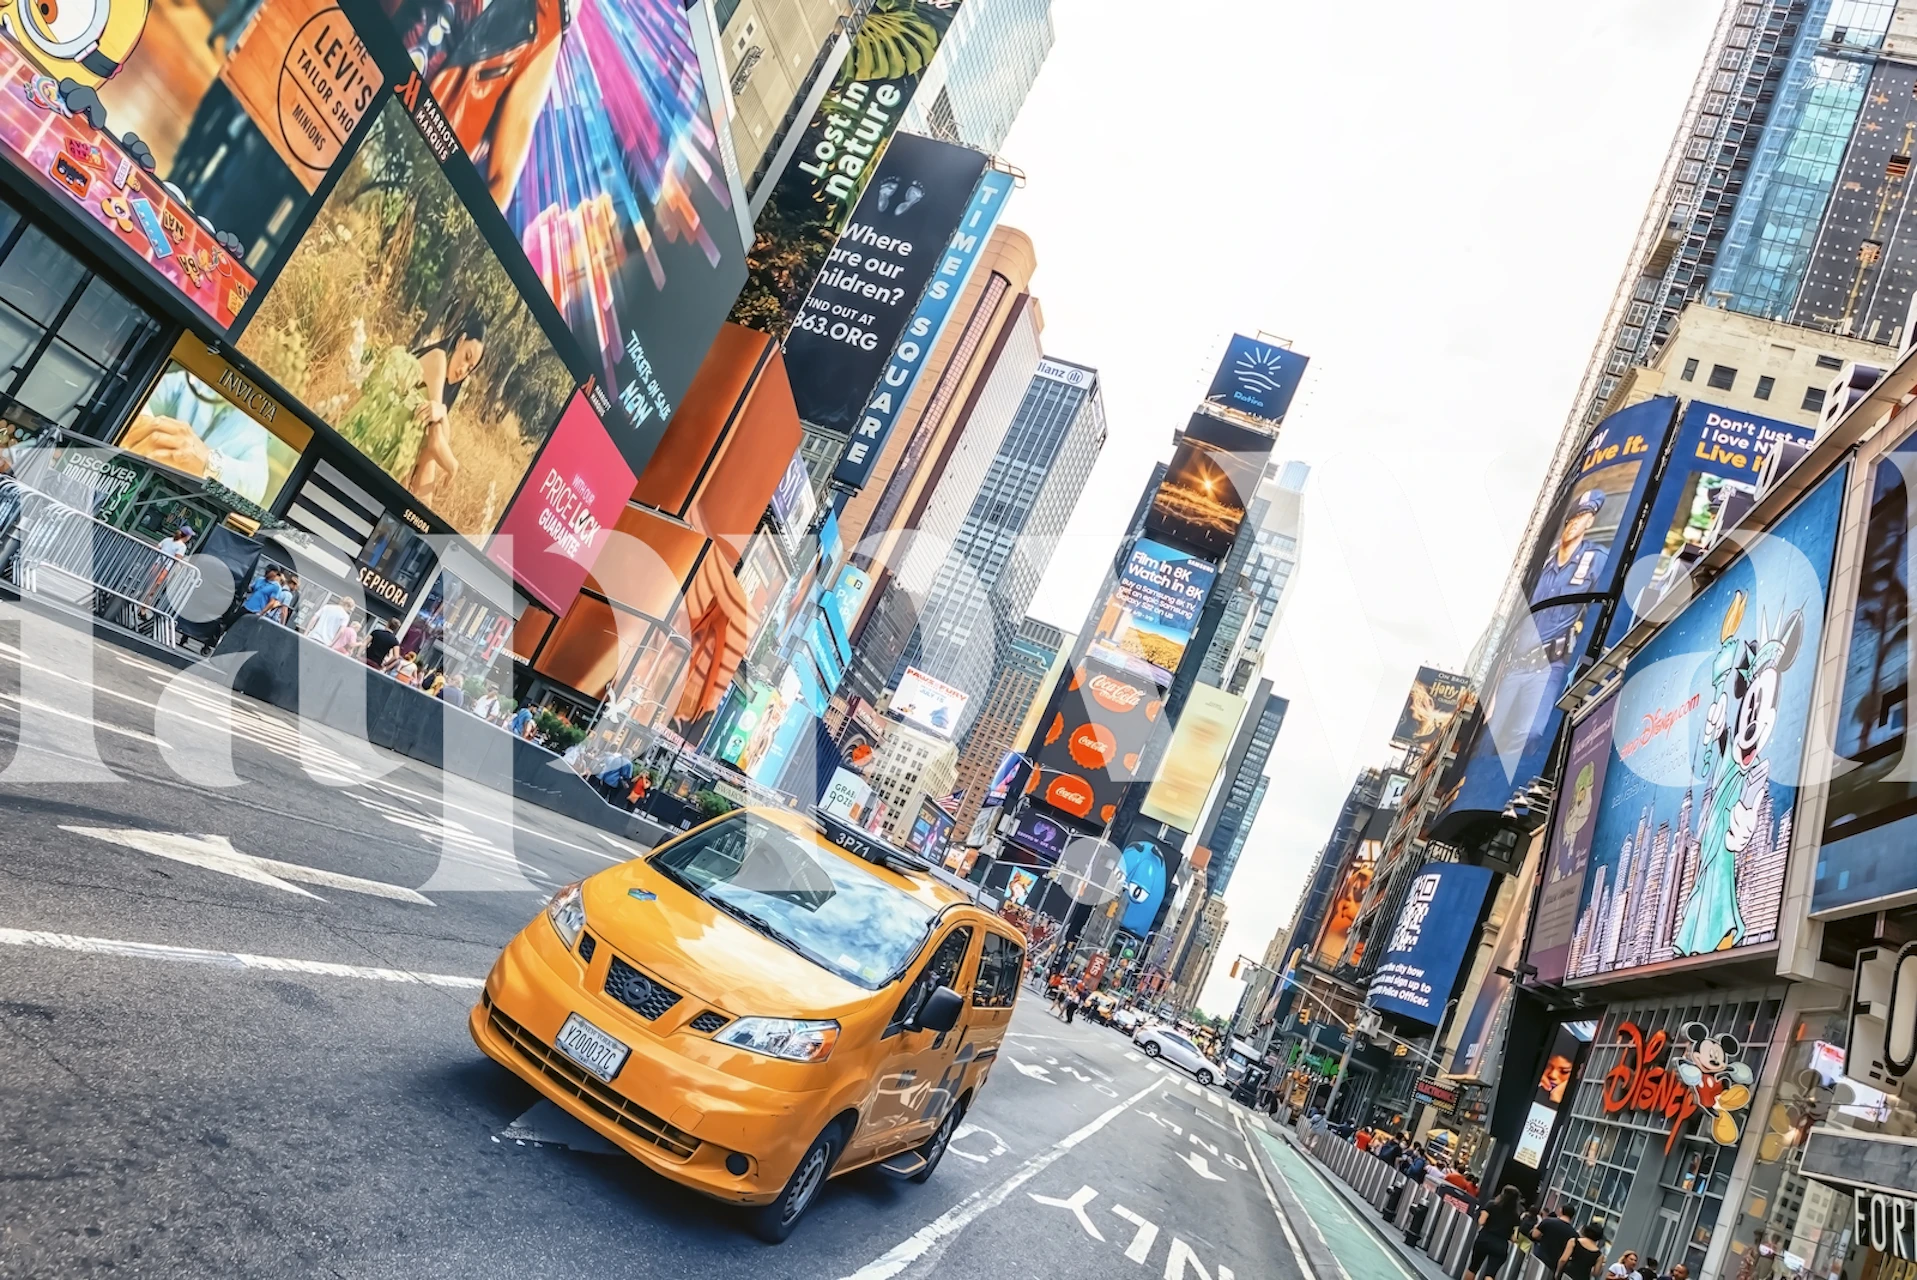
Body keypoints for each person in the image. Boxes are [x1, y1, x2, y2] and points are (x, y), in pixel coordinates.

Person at [405, 312, 487, 507]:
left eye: (470, 369)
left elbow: (444, 437)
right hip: (386, 426)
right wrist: (453, 467)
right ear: (460, 341)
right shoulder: (438, 359)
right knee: (430, 456)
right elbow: (435, 441)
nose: (463, 369)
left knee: (428, 457)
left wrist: (441, 411)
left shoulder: (450, 385)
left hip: (404, 442)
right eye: (467, 358)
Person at [1465, 1185, 1525, 1280]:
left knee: (1473, 1267)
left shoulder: (1492, 1204)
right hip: (1500, 1244)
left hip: (1485, 1238)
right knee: (1490, 1274)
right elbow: (1514, 1238)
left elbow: (1482, 1221)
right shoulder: (1516, 1215)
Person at [1534, 1205, 1580, 1277]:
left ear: (1561, 1211)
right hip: (1554, 1265)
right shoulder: (1574, 1234)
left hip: (1539, 1257)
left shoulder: (1548, 1221)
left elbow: (1535, 1235)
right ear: (1573, 1216)